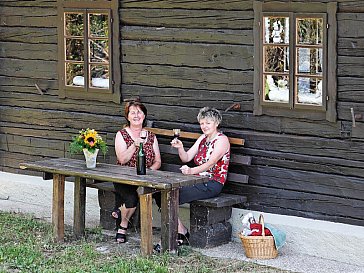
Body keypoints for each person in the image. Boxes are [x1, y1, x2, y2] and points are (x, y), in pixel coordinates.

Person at [169, 107, 231, 246]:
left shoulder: (222, 140)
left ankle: (177, 234)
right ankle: (181, 231)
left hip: (212, 183)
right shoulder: (203, 138)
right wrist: (180, 147)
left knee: (170, 195)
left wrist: (191, 171)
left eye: (208, 123)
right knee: (163, 193)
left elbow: (211, 163)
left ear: (216, 123)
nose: (204, 126)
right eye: (202, 123)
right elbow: (186, 158)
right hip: (196, 181)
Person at [112, 100, 161, 243]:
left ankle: (119, 212)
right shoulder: (121, 134)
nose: (136, 115)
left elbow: (158, 161)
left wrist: (149, 171)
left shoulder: (151, 136)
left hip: (145, 178)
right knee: (132, 199)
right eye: (132, 112)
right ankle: (123, 226)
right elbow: (122, 159)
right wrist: (135, 145)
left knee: (151, 193)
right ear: (127, 117)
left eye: (139, 112)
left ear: (144, 115)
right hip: (124, 177)